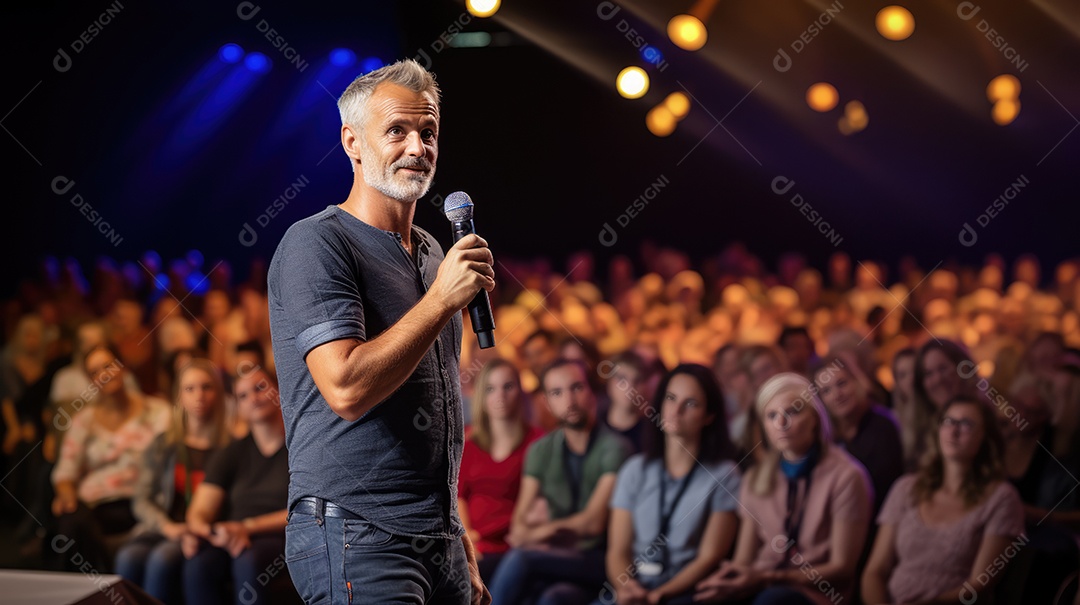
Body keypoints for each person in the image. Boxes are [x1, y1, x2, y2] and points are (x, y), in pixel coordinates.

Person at [267, 59, 493, 605]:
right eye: (397, 131)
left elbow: (437, 413)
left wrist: (456, 534)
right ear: (353, 142)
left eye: (428, 132)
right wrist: (441, 299)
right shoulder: (316, 245)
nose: (418, 147)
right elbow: (345, 388)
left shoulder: (435, 252)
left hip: (437, 539)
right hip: (357, 534)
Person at [695, 372, 871, 605]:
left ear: (815, 418)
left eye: (793, 412)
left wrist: (768, 578)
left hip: (816, 595)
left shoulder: (847, 476)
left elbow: (842, 568)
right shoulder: (755, 478)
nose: (781, 424)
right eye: (771, 416)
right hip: (759, 586)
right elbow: (744, 559)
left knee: (773, 600)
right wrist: (723, 581)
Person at [488, 358, 633, 605]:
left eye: (577, 387)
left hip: (602, 558)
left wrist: (544, 532)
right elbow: (519, 527)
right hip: (558, 559)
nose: (569, 400)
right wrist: (540, 534)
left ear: (591, 392)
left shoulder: (616, 448)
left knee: (522, 558)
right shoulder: (540, 450)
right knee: (552, 598)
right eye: (557, 392)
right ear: (547, 402)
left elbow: (593, 523)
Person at [860, 396, 1025, 605]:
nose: (954, 431)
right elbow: (875, 571)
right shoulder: (906, 488)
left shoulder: (1001, 498)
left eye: (966, 424)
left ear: (985, 436)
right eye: (948, 422)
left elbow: (979, 585)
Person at [599, 364, 741, 605]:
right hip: (635, 586)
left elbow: (710, 557)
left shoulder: (725, 475)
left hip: (685, 591)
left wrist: (660, 595)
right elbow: (618, 550)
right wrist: (627, 587)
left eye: (691, 403)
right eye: (671, 399)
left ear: (709, 416)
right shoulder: (635, 469)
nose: (676, 410)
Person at [115, 359, 231, 604]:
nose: (199, 395)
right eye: (190, 389)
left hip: (204, 533)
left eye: (206, 387)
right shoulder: (163, 445)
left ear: (218, 394)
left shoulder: (230, 448)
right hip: (165, 528)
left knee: (162, 559)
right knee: (128, 557)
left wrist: (198, 528)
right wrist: (167, 527)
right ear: (179, 397)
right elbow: (142, 499)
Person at [50, 344, 171, 572]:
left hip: (140, 500)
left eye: (108, 366)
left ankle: (99, 588)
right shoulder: (83, 420)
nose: (103, 375)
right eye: (95, 372)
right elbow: (65, 471)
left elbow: (169, 463)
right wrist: (65, 493)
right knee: (71, 520)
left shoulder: (157, 411)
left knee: (76, 529)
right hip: (94, 505)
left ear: (122, 367)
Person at [181, 366, 292, 605]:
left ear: (278, 390)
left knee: (247, 558)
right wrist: (203, 530)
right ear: (238, 407)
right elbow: (200, 509)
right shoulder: (231, 452)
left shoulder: (298, 448)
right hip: (233, 535)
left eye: (260, 388)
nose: (253, 398)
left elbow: (304, 511)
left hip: (283, 536)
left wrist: (247, 527)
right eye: (243, 395)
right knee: (199, 563)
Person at [459, 359, 545, 582]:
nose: (500, 396)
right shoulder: (468, 440)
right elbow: (459, 496)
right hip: (475, 545)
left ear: (520, 391)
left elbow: (541, 504)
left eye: (508, 386)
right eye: (490, 388)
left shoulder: (538, 442)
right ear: (480, 395)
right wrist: (468, 538)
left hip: (517, 545)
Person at [812, 355, 903, 514]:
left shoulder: (883, 426)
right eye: (826, 391)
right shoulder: (825, 438)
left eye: (842, 383)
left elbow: (887, 490)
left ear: (856, 382)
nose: (837, 394)